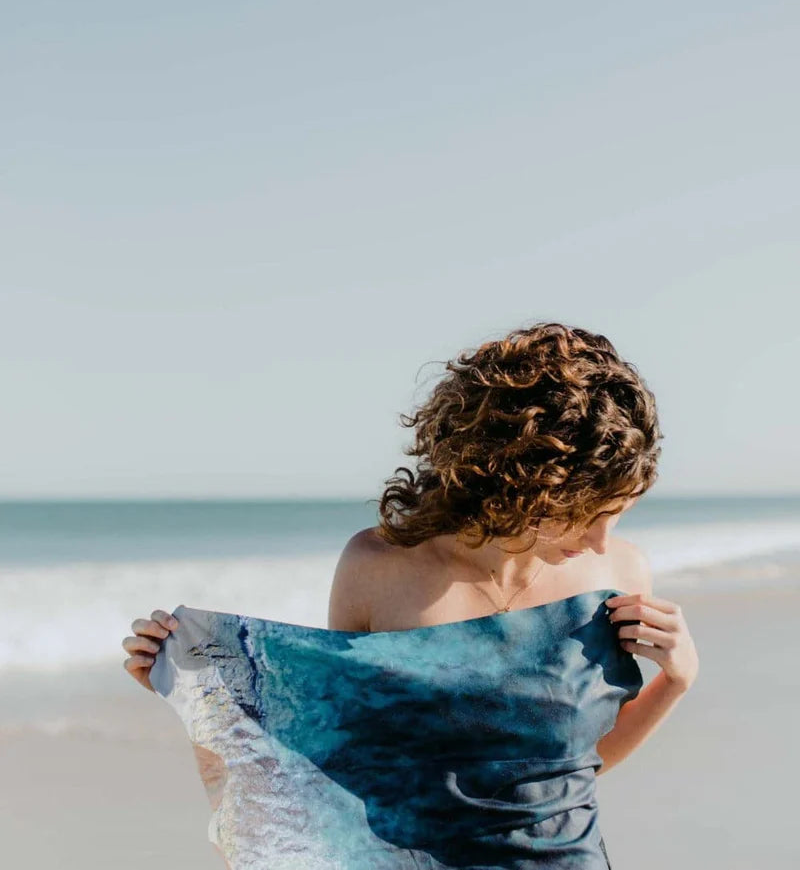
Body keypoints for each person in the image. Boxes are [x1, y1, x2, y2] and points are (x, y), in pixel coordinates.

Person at [122, 321, 699, 867]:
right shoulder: (378, 569)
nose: (600, 541)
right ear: (518, 477)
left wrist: (675, 681)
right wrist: (198, 682)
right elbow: (336, 762)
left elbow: (576, 769)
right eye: (582, 513)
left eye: (616, 514)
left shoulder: (617, 576)